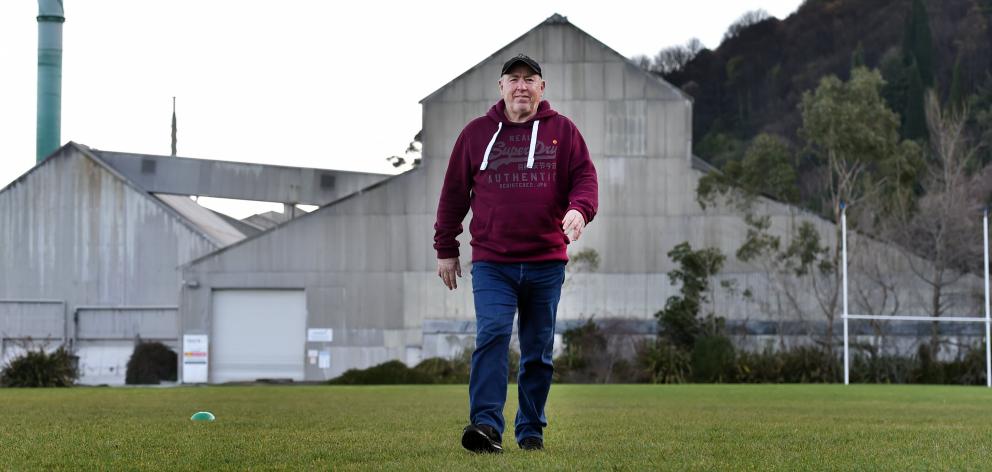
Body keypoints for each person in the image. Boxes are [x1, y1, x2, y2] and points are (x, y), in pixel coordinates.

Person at [433, 53, 599, 453]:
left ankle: (531, 431)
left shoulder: (564, 131)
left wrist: (579, 210)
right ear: (501, 87)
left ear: (542, 88)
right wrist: (446, 248)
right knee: (491, 335)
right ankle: (486, 428)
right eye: (514, 79)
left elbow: (585, 179)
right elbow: (454, 194)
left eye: (530, 79)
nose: (521, 86)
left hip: (545, 262)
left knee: (538, 352)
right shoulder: (475, 134)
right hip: (493, 263)